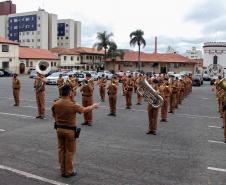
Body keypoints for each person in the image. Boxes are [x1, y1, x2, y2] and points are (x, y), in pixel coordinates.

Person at [52, 85, 99, 178]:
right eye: (72, 92)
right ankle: (68, 172)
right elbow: (84, 110)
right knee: (69, 152)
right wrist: (93, 106)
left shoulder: (56, 103)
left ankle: (62, 170)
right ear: (69, 93)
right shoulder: (72, 105)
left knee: (61, 150)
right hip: (70, 131)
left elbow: (54, 115)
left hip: (59, 129)